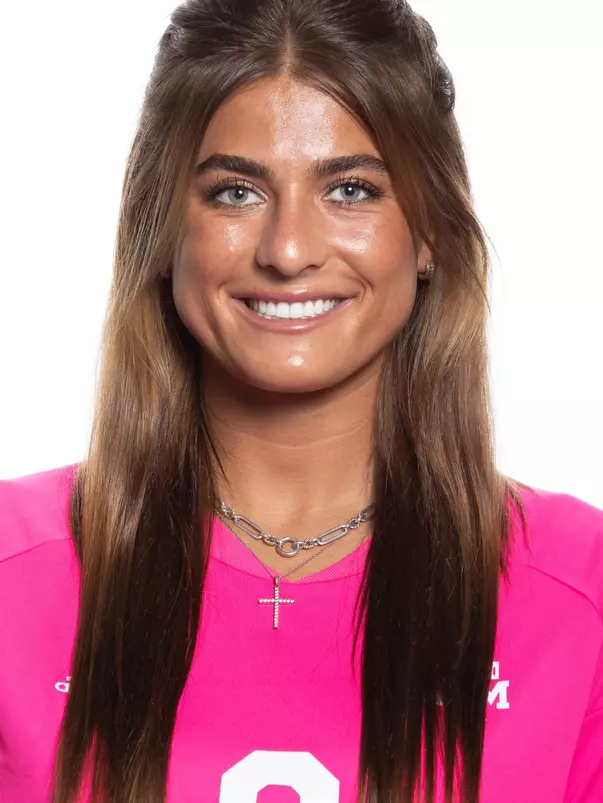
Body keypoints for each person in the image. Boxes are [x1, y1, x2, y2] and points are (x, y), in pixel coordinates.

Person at [1, 0, 602, 801]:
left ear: (427, 233)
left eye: (351, 189)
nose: (288, 250)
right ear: (162, 229)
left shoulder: (579, 591)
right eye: (234, 193)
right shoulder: (14, 572)